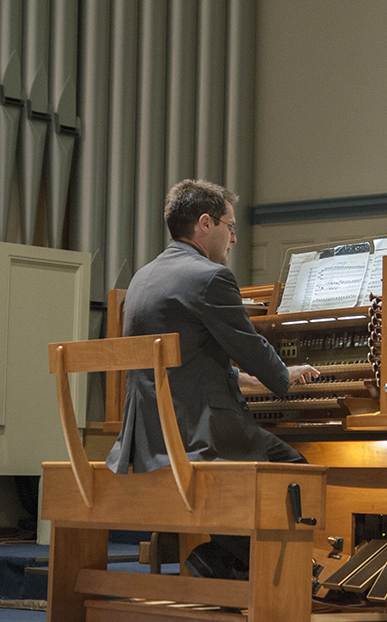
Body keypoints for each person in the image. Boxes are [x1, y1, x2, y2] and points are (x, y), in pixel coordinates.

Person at [105, 179, 319, 579]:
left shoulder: (142, 278)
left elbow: (191, 365)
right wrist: (281, 378)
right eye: (230, 226)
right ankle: (268, 579)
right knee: (296, 473)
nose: (234, 238)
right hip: (197, 440)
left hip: (147, 441)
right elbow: (252, 348)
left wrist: (250, 382)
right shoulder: (208, 277)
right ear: (205, 224)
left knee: (272, 474)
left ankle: (224, 565)